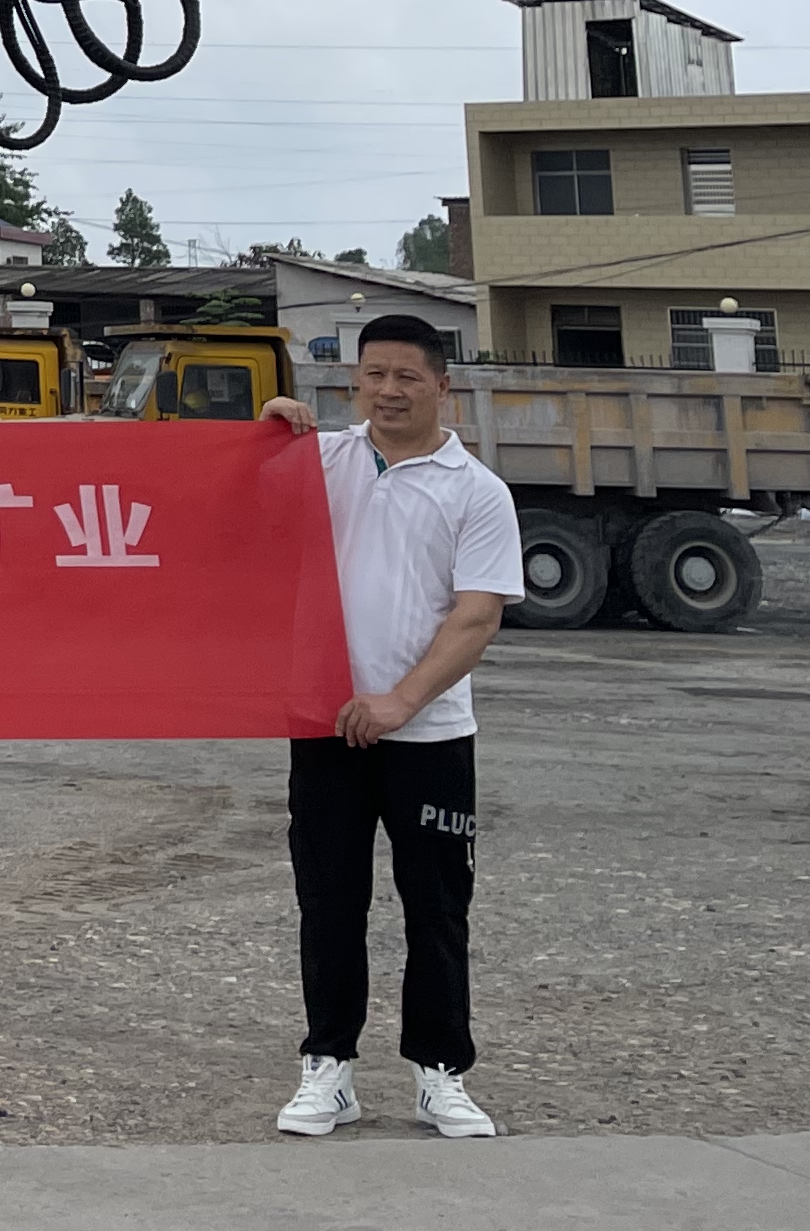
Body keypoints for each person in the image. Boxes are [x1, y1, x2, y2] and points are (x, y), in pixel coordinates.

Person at [259, 312, 522, 1142]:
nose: (389, 390)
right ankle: (328, 1068)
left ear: (442, 386)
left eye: (407, 376)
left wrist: (400, 702)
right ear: (355, 382)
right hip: (325, 725)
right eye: (374, 374)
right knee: (328, 900)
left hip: (430, 736)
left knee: (437, 905)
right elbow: (224, 514)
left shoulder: (476, 490)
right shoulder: (320, 461)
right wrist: (266, 430)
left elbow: (476, 617)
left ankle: (439, 1073)